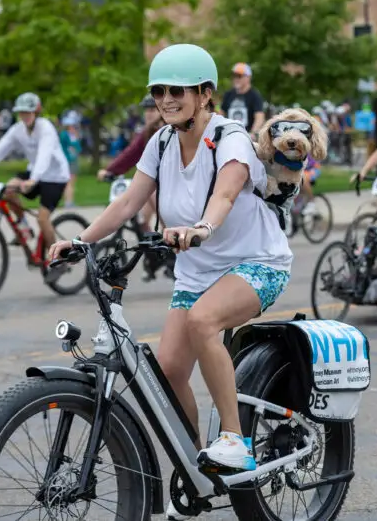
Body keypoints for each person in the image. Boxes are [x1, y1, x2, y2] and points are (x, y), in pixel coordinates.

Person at [48, 44, 292, 510]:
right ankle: (197, 464)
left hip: (257, 263)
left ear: (204, 94)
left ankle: (235, 441)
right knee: (170, 370)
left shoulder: (230, 138)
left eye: (175, 90)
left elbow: (224, 193)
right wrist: (82, 240)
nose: (165, 99)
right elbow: (127, 203)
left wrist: (201, 228)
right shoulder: (160, 142)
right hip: (198, 271)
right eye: (158, 91)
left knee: (203, 322)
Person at [0, 92, 69, 266]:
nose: (24, 116)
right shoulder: (17, 130)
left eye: (28, 112)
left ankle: (59, 261)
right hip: (34, 173)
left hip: (54, 177)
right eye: (21, 113)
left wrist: (33, 180)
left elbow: (44, 155)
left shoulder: (46, 128)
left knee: (43, 219)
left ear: (36, 112)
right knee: (8, 189)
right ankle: (24, 228)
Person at [97, 94, 164, 228]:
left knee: (166, 221)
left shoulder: (171, 130)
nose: (148, 114)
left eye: (152, 110)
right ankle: (152, 248)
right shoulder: (147, 133)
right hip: (155, 184)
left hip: (171, 186)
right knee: (142, 221)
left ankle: (173, 242)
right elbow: (130, 154)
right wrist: (110, 170)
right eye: (146, 110)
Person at [220, 62, 266, 136]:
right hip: (229, 135)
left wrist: (253, 133)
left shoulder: (255, 95)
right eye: (234, 76)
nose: (236, 79)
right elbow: (221, 114)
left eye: (239, 76)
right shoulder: (228, 94)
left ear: (248, 77)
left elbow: (259, 117)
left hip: (247, 136)